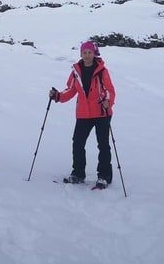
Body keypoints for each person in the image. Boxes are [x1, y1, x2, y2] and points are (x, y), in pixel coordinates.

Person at [49, 41, 116, 188]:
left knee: (103, 145)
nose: (87, 55)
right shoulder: (76, 71)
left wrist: (107, 101)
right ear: (81, 54)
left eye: (89, 52)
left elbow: (110, 90)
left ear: (94, 54)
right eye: (84, 53)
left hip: (101, 112)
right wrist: (57, 96)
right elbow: (70, 90)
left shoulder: (102, 71)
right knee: (78, 143)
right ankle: (78, 174)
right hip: (84, 114)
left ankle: (104, 176)